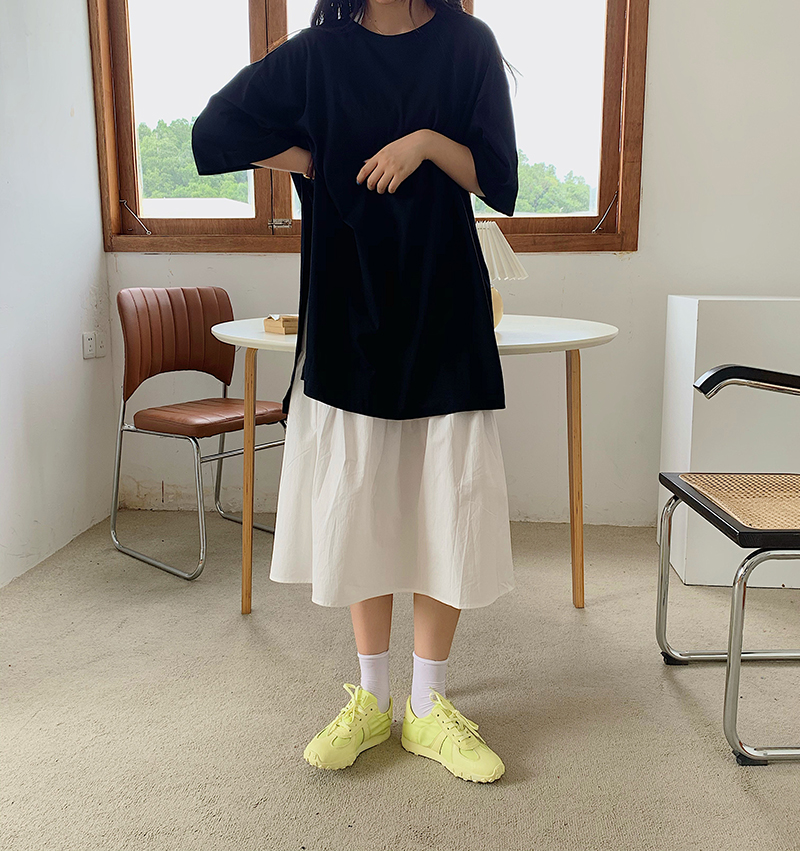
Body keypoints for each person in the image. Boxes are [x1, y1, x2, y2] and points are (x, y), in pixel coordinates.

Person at [191, 0, 518, 784]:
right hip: (349, 306)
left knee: (447, 497)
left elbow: (499, 179)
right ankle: (373, 698)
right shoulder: (318, 54)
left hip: (444, 304)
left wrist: (427, 143)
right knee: (361, 497)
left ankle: (428, 702)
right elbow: (213, 132)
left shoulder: (468, 44)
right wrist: (310, 156)